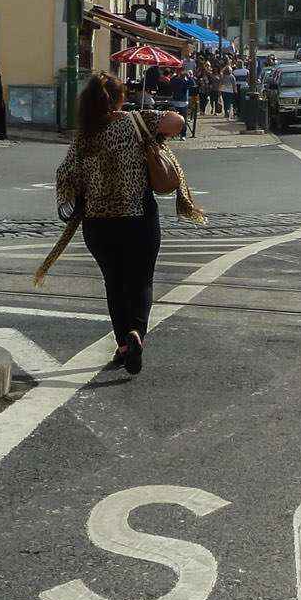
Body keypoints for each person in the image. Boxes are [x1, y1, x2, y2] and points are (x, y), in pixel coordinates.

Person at [55, 72, 187, 375]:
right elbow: (177, 123)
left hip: (98, 225)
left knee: (114, 284)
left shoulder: (84, 135)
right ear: (120, 98)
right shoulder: (135, 121)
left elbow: (65, 173)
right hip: (138, 218)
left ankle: (123, 345)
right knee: (140, 281)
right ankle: (136, 334)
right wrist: (136, 118)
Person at [168, 65, 195, 137]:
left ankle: (183, 134)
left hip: (183, 102)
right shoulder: (176, 80)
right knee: (175, 119)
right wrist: (177, 75)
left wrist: (188, 76)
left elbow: (193, 83)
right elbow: (171, 81)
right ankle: (175, 132)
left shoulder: (186, 81)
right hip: (176, 101)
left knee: (184, 119)